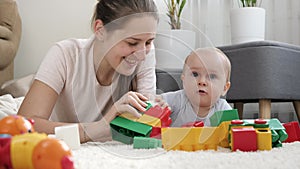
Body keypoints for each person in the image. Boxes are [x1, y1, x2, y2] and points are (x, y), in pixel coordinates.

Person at [17, 0, 159, 143]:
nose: (142, 55)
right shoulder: (65, 54)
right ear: (100, 30)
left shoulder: (145, 54)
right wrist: (97, 129)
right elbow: (23, 127)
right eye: (132, 43)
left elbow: (146, 119)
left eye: (148, 42)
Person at [160, 47, 232, 127]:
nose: (202, 81)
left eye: (212, 76)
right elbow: (152, 103)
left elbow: (232, 133)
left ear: (224, 88)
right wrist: (157, 105)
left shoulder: (223, 109)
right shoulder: (175, 100)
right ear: (183, 79)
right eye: (195, 74)